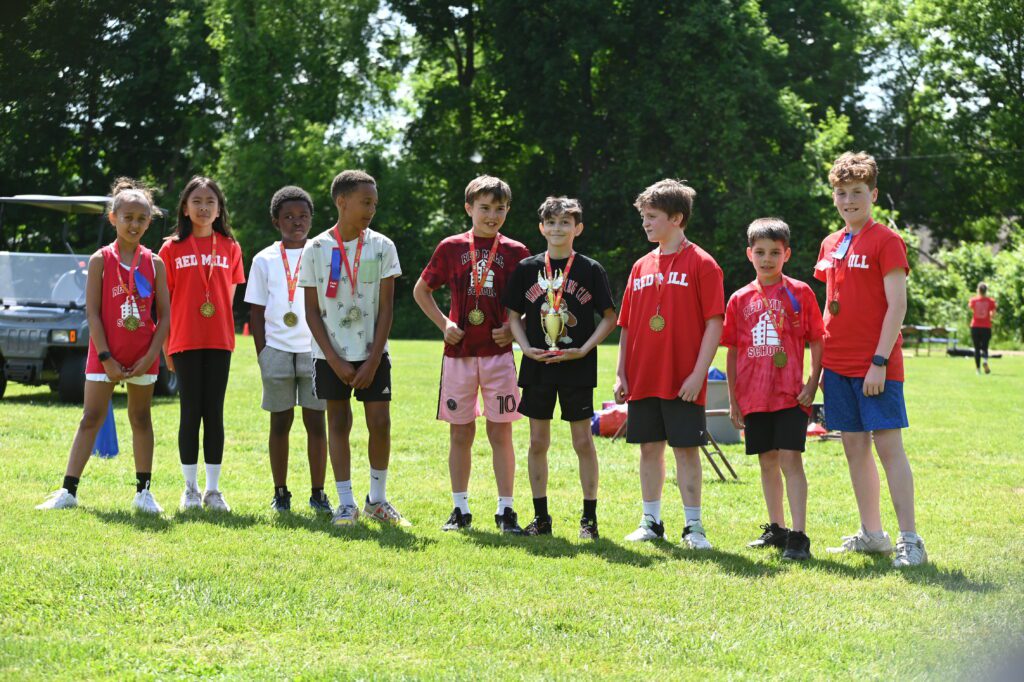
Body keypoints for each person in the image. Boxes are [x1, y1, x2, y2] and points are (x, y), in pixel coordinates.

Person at [815, 151, 926, 567]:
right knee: (854, 448)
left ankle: (910, 540)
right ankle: (873, 534)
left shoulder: (887, 240)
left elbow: (897, 306)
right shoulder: (831, 242)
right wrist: (822, 365)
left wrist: (879, 360)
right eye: (841, 193)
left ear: (873, 194)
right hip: (838, 365)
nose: (849, 201)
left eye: (857, 192)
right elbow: (832, 304)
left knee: (889, 448)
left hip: (875, 365)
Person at [37, 178, 170, 513]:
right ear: (113, 218)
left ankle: (144, 492)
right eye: (128, 217)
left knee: (141, 419)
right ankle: (68, 491)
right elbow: (93, 314)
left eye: (142, 219)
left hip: (143, 357)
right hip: (105, 356)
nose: (134, 224)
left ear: (149, 222)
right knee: (90, 418)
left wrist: (150, 356)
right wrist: (107, 358)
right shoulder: (100, 259)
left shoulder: (155, 263)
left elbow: (165, 317)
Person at [413, 175, 531, 533]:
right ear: (469, 208)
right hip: (459, 354)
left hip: (499, 356)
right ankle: (460, 509)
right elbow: (422, 290)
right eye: (484, 208)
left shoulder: (516, 252)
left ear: (508, 210)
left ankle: (505, 509)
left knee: (501, 434)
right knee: (460, 434)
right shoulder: (450, 247)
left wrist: (514, 327)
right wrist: (443, 323)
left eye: (500, 208)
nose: (492, 215)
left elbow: (535, 301)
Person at [613, 179, 724, 549]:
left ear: (677, 218)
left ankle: (694, 527)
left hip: (683, 379)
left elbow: (714, 323)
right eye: (643, 216)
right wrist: (620, 371)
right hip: (643, 376)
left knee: (686, 450)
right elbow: (626, 324)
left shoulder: (703, 264)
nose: (645, 223)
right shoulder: (640, 265)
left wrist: (698, 373)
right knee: (649, 448)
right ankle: (651, 521)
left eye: (652, 217)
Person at [298, 170, 409, 527]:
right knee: (339, 422)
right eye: (365, 202)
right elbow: (311, 310)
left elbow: (388, 307)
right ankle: (345, 504)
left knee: (380, 422)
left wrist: (374, 359)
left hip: (372, 352)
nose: (371, 210)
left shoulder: (382, 246)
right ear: (341, 202)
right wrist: (334, 358)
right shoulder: (316, 248)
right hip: (330, 354)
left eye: (375, 203)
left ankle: (377, 500)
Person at [504, 196, 617, 539]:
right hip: (538, 365)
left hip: (576, 365)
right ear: (541, 227)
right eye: (551, 222)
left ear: (577, 228)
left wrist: (583, 349)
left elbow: (610, 317)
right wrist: (524, 347)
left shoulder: (590, 269)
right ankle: (541, 518)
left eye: (565, 222)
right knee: (538, 441)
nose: (557, 228)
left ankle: (589, 520)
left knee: (583, 441)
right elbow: (512, 316)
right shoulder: (526, 268)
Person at [722, 218, 824, 561]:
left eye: (775, 253)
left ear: (787, 254)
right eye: (761, 252)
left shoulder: (801, 292)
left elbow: (816, 339)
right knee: (767, 461)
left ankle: (799, 535)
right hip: (754, 396)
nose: (767, 259)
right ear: (749, 254)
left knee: (790, 460)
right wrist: (734, 398)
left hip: (791, 393)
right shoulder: (739, 299)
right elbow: (733, 351)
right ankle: (777, 529)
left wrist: (812, 382)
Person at [159, 176, 246, 513]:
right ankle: (190, 489)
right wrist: (166, 344)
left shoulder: (231, 247)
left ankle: (213, 490)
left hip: (219, 340)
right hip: (184, 340)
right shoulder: (170, 248)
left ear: (219, 208)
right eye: (197, 201)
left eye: (211, 201)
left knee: (215, 413)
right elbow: (163, 302)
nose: (204, 207)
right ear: (185, 207)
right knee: (190, 412)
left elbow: (229, 296)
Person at [244, 186, 331, 514]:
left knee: (316, 423)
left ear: (311, 219)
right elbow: (255, 311)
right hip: (277, 351)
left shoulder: (322, 252)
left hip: (314, 351)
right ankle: (280, 492)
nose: (297, 222)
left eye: (303, 216)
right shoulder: (264, 259)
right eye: (289, 217)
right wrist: (263, 353)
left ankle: (318, 493)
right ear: (275, 221)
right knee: (279, 424)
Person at [969, 282, 996, 375]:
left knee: (976, 348)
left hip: (975, 326)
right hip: (986, 326)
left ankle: (978, 369)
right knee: (985, 347)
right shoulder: (991, 301)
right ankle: (985, 360)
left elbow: (972, 309)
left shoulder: (973, 300)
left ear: (978, 290)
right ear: (986, 291)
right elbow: (993, 314)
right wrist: (991, 318)